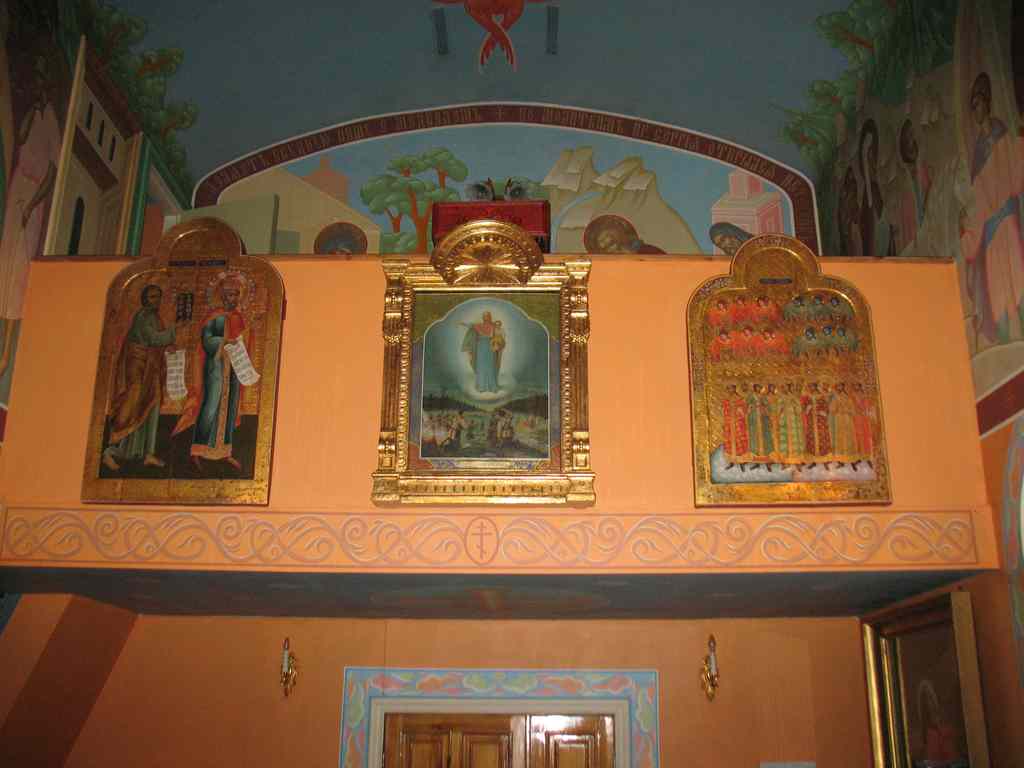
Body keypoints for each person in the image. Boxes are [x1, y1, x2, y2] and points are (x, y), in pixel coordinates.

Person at [0, 81, 61, 376]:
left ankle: (5, 352)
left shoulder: (52, 124)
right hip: (17, 190)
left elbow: (51, 173)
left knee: (19, 273)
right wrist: (30, 111)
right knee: (4, 262)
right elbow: (22, 137)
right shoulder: (35, 114)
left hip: (32, 199)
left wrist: (32, 205)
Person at [959, 72, 1024, 346]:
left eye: (978, 102)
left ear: (987, 102)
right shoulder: (977, 152)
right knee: (997, 285)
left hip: (1006, 219)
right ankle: (1009, 336)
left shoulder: (1001, 135)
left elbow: (1013, 173)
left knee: (1014, 274)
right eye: (972, 105)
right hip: (989, 228)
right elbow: (978, 194)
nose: (976, 110)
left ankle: (1018, 330)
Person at [173, 276, 251, 471]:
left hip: (233, 367)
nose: (233, 298)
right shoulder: (216, 316)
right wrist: (225, 343)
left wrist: (242, 343)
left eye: (236, 294)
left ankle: (224, 451)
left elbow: (243, 339)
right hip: (216, 367)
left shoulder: (237, 318)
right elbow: (208, 341)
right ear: (222, 296)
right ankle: (198, 450)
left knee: (230, 407)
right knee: (211, 405)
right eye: (229, 294)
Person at [102, 284, 177, 471]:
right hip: (138, 366)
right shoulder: (143, 317)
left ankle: (148, 453)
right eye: (152, 297)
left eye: (158, 297)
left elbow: (157, 342)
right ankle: (111, 450)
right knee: (134, 403)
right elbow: (154, 339)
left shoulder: (154, 317)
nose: (156, 301)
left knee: (153, 403)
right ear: (144, 299)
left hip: (150, 367)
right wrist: (174, 331)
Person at [858, 120, 895, 257]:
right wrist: (869, 195)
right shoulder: (870, 190)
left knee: (882, 226)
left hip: (873, 190)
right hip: (870, 191)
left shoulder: (877, 186)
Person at [461, 311, 502, 392]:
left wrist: (497, 344)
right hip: (480, 347)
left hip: (491, 347)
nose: (486, 318)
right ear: (483, 318)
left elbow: (499, 335)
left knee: (491, 365)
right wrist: (462, 323)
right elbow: (470, 325)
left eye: (487, 316)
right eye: (485, 316)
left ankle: (492, 387)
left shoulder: (493, 325)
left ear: (490, 317)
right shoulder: (479, 325)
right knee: (481, 365)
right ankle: (481, 387)